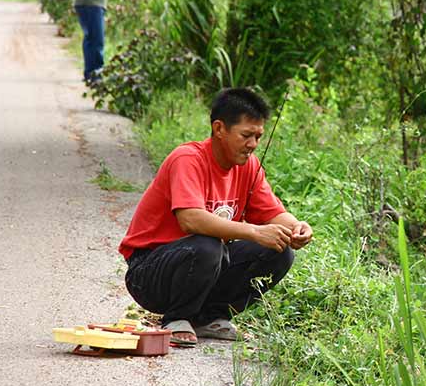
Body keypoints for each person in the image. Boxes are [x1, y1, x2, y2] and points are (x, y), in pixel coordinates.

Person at [119, 88, 313, 346]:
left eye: (258, 136)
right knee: (209, 244)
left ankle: (209, 317)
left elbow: (274, 213)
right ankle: (177, 317)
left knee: (280, 251)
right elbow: (191, 220)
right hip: (148, 273)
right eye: (246, 135)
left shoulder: (249, 166)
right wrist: (255, 231)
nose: (253, 144)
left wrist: (297, 227)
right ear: (219, 128)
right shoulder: (187, 159)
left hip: (202, 262)